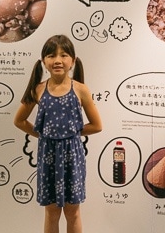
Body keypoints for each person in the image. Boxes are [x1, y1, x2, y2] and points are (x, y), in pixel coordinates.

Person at [14, 34, 102, 233]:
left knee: (73, 212)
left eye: (64, 55)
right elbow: (19, 120)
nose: (58, 60)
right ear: (44, 61)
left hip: (73, 157)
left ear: (73, 60)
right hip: (48, 157)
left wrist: (69, 135)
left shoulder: (81, 89)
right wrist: (45, 135)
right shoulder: (37, 90)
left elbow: (97, 125)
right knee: (52, 212)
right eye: (52, 55)